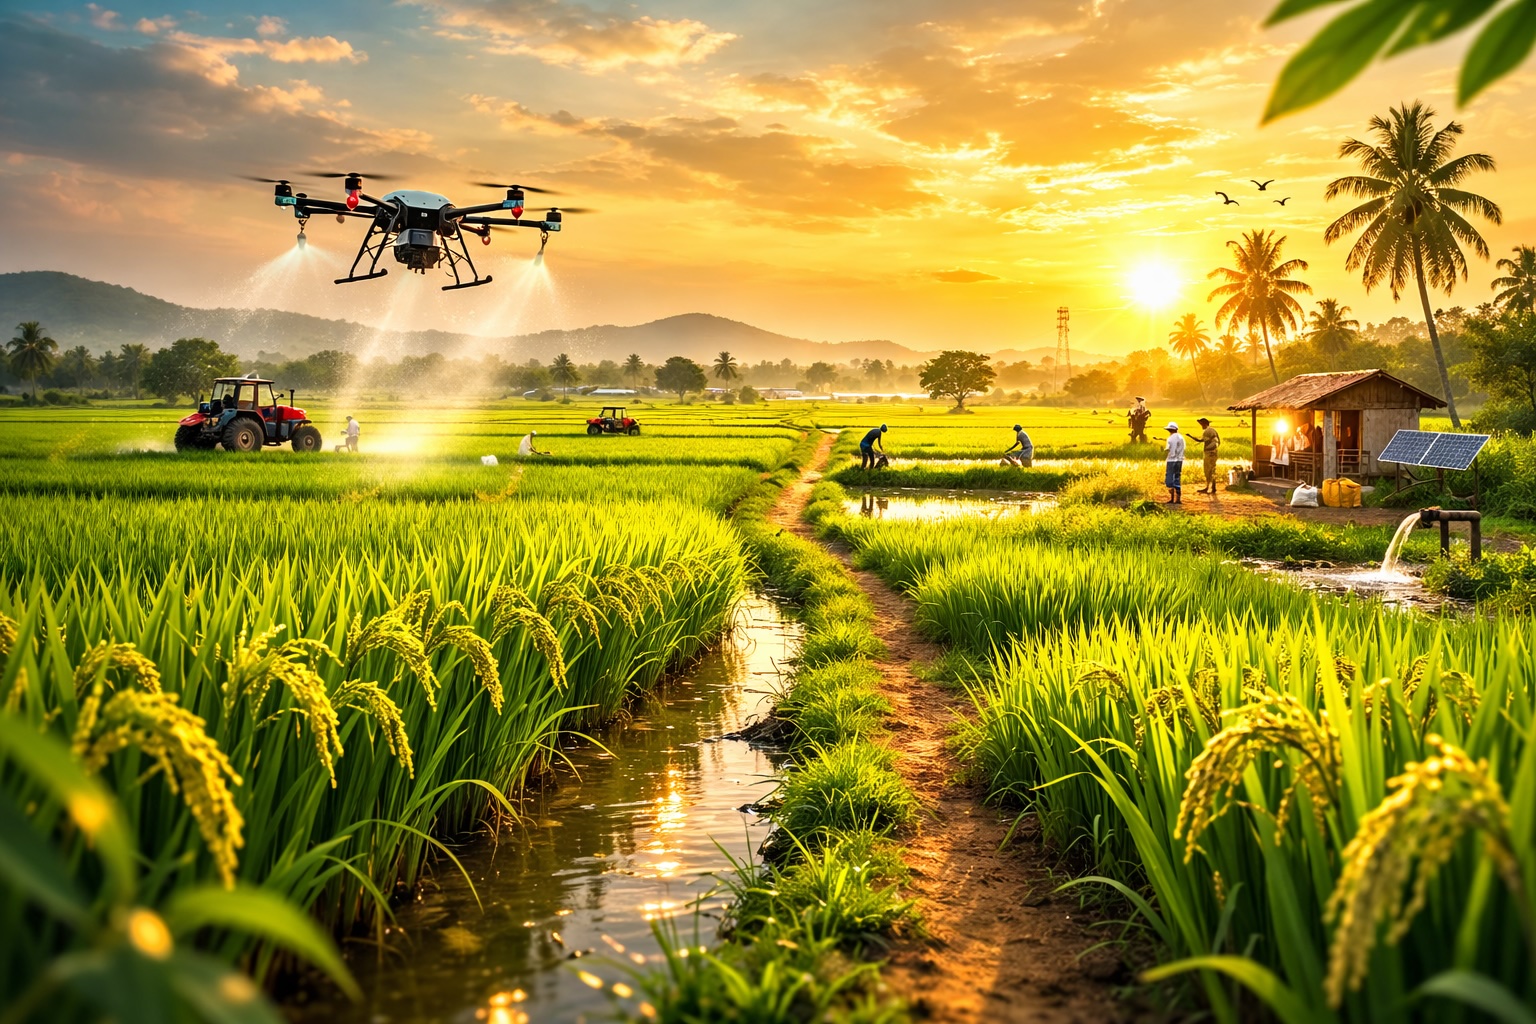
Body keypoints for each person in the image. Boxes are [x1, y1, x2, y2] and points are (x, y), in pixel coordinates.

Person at [1195, 416, 1220, 495]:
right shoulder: (1213, 430)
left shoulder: (1207, 431)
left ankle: (1207, 487)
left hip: (1209, 453)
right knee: (1213, 470)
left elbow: (1202, 440)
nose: (1201, 426)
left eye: (1201, 424)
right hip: (1214, 452)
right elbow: (1218, 441)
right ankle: (1213, 487)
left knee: (1208, 470)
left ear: (1204, 424)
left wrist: (1192, 437)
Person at [1163, 421, 1185, 504]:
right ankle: (1178, 499)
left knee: (1169, 480)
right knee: (1177, 477)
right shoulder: (1181, 437)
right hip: (1180, 460)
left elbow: (1170, 450)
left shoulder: (1170, 438)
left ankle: (1172, 498)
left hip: (1171, 460)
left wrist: (1165, 452)